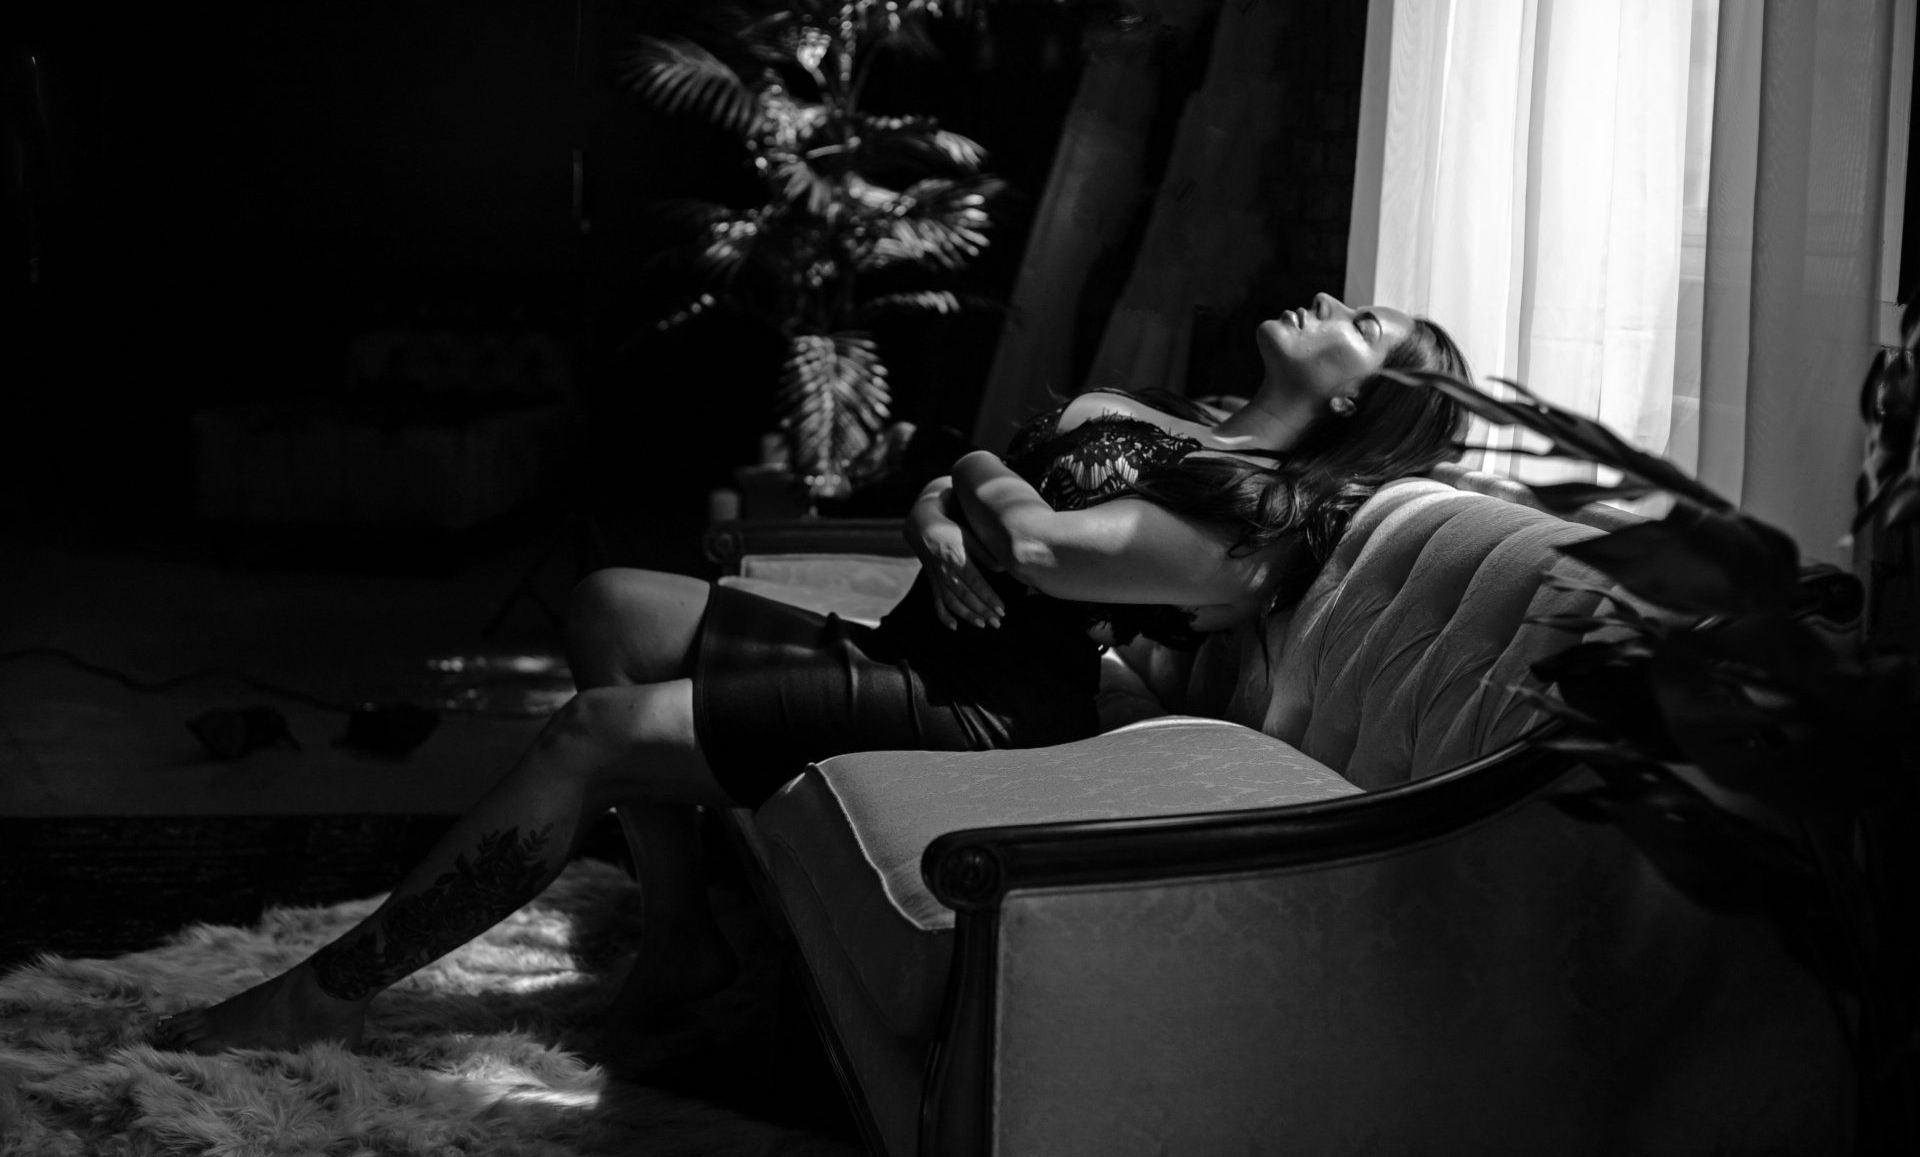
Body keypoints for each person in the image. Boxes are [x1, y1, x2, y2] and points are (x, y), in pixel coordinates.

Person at [154, 293, 1469, 1052]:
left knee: (593, 730)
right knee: (612, 601)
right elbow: (968, 500)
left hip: (979, 714)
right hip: (908, 643)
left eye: (1363, 324)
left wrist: (977, 495)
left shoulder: (1254, 521)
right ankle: (680, 940)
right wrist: (949, 510)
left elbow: (1043, 549)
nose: (1329, 302)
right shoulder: (1184, 427)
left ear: (1364, 400)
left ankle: (317, 998)